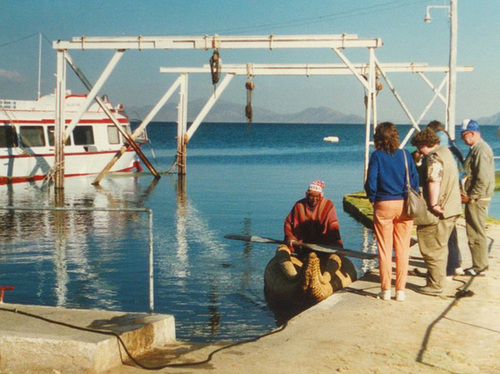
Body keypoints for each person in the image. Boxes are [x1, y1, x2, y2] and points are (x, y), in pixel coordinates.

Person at [364, 122, 419, 302]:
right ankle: (400, 290)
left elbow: (371, 182)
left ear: (378, 138)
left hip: (384, 204)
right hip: (404, 204)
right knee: (403, 248)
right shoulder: (405, 155)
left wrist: (373, 197)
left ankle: (386, 289)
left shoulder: (377, 156)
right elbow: (414, 181)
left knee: (384, 249)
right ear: (396, 136)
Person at [410, 128, 462, 295]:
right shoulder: (446, 152)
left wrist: (432, 204)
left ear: (425, 144)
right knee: (441, 246)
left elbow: (434, 182)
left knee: (432, 247)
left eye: (419, 147)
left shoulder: (433, 158)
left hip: (440, 210)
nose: (419, 151)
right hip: (453, 207)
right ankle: (436, 280)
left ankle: (435, 285)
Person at [425, 120, 464, 277]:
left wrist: (433, 202)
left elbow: (436, 178)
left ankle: (446, 269)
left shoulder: (439, 151)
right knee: (452, 232)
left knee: (442, 235)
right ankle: (456, 264)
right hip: (456, 192)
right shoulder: (453, 147)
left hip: (444, 195)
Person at [460, 119, 495, 276]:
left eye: (464, 135)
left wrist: (472, 197)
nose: (462, 138)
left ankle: (479, 266)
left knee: (476, 232)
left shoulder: (481, 150)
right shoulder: (477, 148)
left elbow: (483, 177)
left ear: (472, 133)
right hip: (476, 197)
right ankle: (479, 264)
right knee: (475, 231)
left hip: (477, 199)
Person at [284, 180, 343, 255]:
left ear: (320, 196)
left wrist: (336, 242)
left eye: (317, 196)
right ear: (307, 195)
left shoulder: (328, 205)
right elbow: (288, 222)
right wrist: (290, 237)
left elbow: (333, 224)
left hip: (322, 243)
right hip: (302, 243)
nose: (314, 199)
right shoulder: (299, 205)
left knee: (334, 249)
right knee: (286, 250)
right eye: (311, 196)